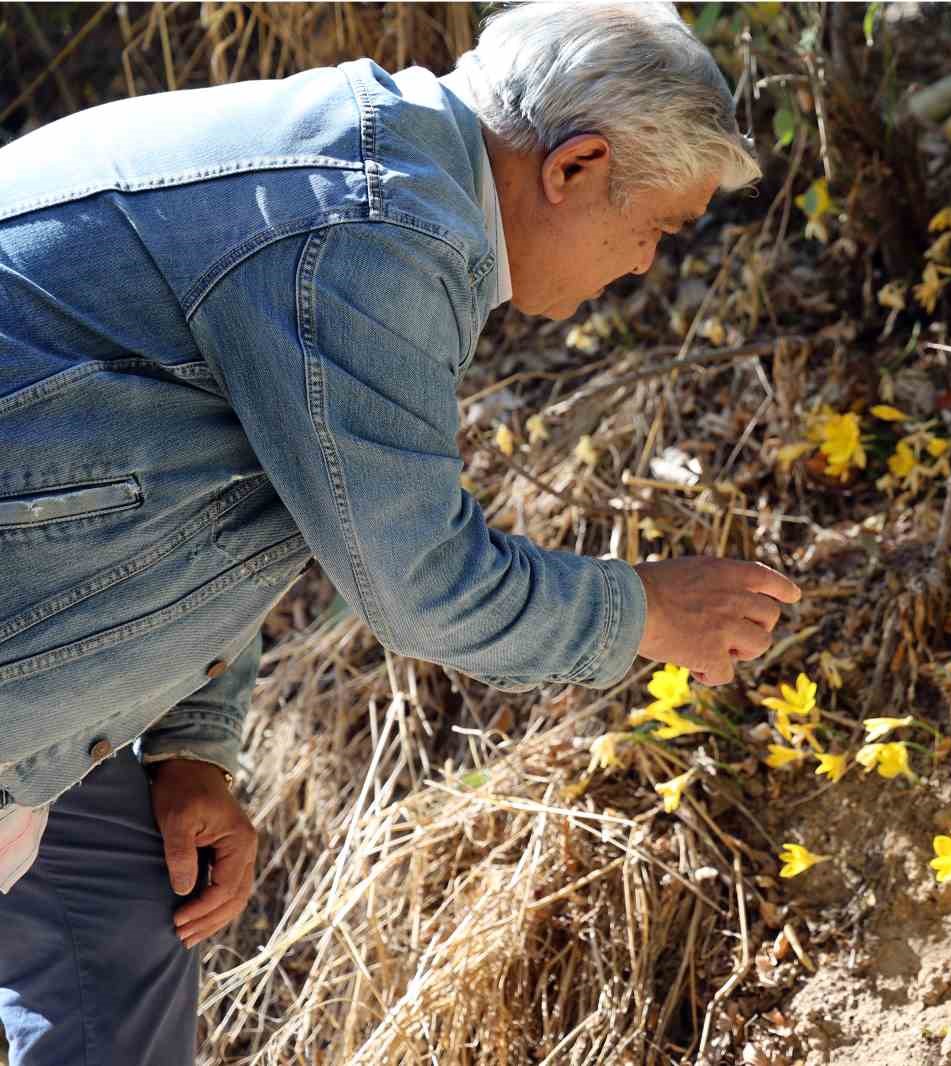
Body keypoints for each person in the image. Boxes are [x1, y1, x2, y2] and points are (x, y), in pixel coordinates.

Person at [0, 4, 800, 1063]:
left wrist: (191, 747)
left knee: (116, 944)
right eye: (655, 223)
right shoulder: (374, 222)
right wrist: (645, 611)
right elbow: (421, 582)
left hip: (43, 649)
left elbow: (238, 481)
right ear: (574, 165)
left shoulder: (369, 172)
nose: (646, 265)